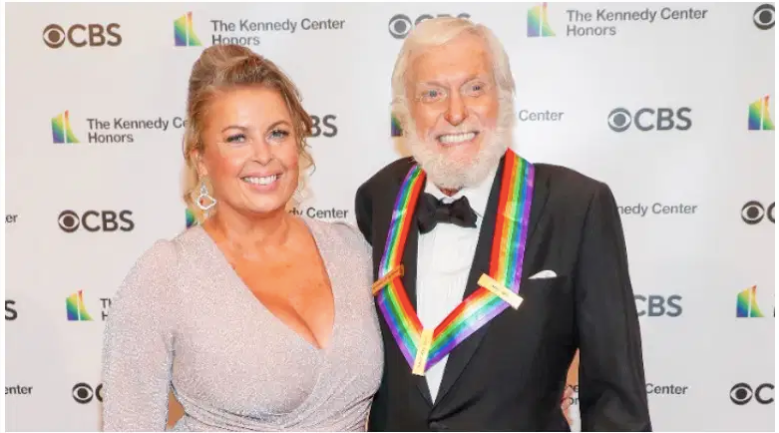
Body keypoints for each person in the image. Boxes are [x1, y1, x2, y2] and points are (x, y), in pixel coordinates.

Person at [355, 17, 652, 431]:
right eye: (432, 93)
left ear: (504, 97)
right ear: (405, 113)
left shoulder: (576, 205)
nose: (456, 112)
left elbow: (615, 398)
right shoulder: (379, 197)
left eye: (475, 88)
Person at [101, 44, 383, 432]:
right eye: (237, 138)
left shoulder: (353, 251)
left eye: (278, 133)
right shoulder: (166, 276)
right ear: (200, 158)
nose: (263, 155)